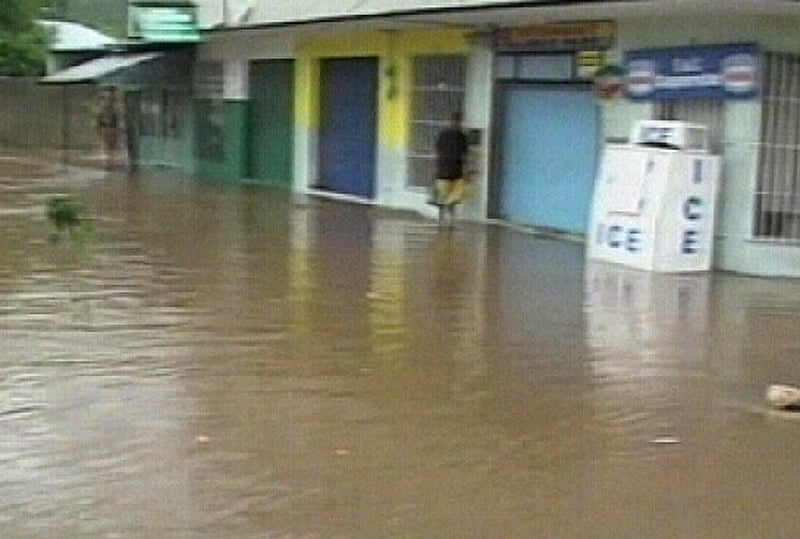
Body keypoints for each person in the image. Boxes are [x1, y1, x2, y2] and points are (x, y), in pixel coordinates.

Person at [431, 111, 469, 224]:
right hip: (456, 170)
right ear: (460, 121)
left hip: (443, 170)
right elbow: (465, 155)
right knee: (452, 197)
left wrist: (435, 167)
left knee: (443, 196)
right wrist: (467, 169)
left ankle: (442, 219)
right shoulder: (462, 136)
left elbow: (436, 152)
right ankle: (450, 219)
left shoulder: (443, 134)